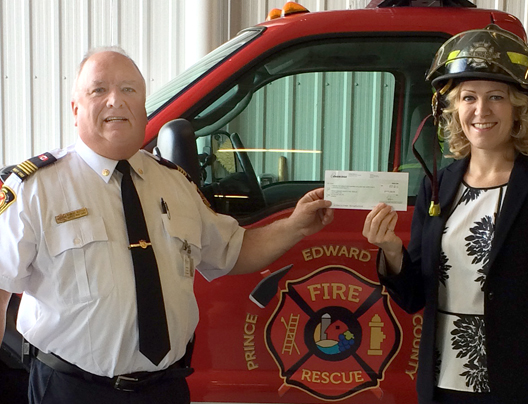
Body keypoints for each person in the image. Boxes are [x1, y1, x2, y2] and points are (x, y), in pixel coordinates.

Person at [0, 46, 333, 404]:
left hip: (165, 389)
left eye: (129, 90)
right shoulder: (34, 189)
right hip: (71, 390)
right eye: (99, 90)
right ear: (75, 108)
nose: (116, 101)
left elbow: (233, 252)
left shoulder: (177, 184)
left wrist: (296, 225)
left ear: (143, 106)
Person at [362, 25, 528, 404]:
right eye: (468, 97)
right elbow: (415, 297)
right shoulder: (437, 185)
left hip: (519, 386)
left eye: (496, 96)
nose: (481, 111)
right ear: (453, 109)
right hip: (443, 381)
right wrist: (392, 251)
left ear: (518, 107)